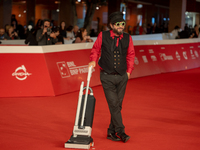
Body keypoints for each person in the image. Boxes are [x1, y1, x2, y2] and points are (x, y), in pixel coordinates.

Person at [88, 11, 135, 143]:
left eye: (123, 24)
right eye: (118, 24)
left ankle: (111, 132)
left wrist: (129, 72)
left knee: (117, 106)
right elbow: (95, 49)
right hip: (107, 76)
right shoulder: (103, 35)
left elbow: (131, 54)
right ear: (111, 25)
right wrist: (93, 60)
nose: (121, 26)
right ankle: (121, 131)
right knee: (114, 105)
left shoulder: (128, 37)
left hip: (122, 76)